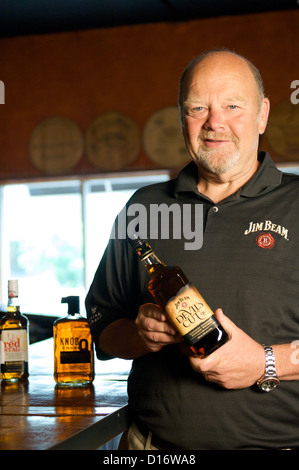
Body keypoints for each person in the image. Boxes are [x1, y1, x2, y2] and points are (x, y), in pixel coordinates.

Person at [85, 48, 299, 450]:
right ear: (182, 117)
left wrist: (265, 363)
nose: (215, 123)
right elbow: (101, 325)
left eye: (233, 105)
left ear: (263, 113)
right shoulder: (144, 208)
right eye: (197, 107)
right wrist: (137, 335)